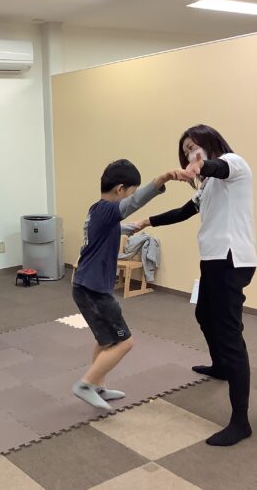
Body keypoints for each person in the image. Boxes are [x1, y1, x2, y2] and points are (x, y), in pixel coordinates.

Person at [135, 124, 256, 446]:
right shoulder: (208, 188)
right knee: (204, 314)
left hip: (232, 259)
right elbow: (183, 211)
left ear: (210, 142)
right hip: (213, 259)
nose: (190, 153)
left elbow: (217, 166)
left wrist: (200, 166)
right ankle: (221, 366)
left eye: (193, 147)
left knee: (230, 334)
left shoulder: (233, 164)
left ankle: (240, 422)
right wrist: (147, 221)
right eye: (186, 150)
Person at [72, 159, 179, 410]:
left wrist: (130, 227)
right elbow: (134, 203)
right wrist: (161, 180)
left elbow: (107, 228)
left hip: (84, 286)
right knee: (125, 342)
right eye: (131, 191)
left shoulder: (97, 209)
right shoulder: (109, 209)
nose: (130, 197)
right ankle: (85, 385)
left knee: (106, 341)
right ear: (120, 189)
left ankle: (97, 386)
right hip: (94, 290)